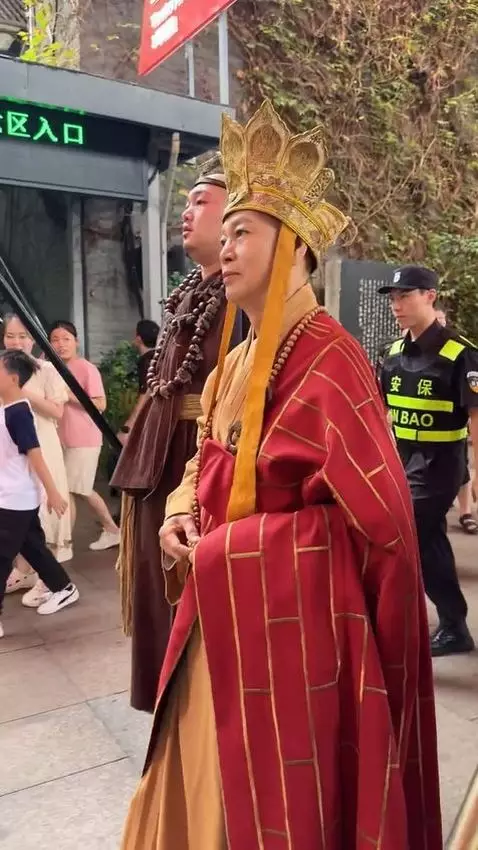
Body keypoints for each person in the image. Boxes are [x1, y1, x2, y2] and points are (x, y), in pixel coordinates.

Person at [121, 101, 442, 849]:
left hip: (296, 634)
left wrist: (229, 548)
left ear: (293, 247)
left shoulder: (332, 358)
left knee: (279, 803)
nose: (227, 248)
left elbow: (378, 522)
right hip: (219, 610)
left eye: (244, 233)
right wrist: (181, 507)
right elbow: (206, 451)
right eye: (226, 233)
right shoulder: (236, 361)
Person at [111, 154, 245, 713]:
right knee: (156, 583)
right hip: (163, 455)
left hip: (200, 456)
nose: (187, 212)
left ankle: (200, 707)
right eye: (186, 201)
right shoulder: (193, 290)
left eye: (200, 201)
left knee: (194, 590)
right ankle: (172, 704)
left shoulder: (241, 299)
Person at [379, 266, 477, 656]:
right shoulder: (391, 354)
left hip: (440, 466)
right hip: (403, 464)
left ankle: (431, 621)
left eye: (405, 296)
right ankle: (452, 625)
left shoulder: (460, 353)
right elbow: (382, 413)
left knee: (409, 530)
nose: (396, 305)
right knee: (428, 538)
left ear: (430, 296)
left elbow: (476, 419)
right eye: (393, 298)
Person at [0, 351, 79, 638]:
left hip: (16, 499)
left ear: (13, 379)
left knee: (2, 556)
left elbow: (35, 456)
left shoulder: (19, 413)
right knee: (32, 546)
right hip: (10, 495)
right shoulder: (6, 408)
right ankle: (63, 587)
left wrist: (53, 493)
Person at [49, 321, 120, 551]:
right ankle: (108, 530)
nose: (60, 344)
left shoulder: (86, 368)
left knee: (77, 489)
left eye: (66, 339)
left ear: (76, 342)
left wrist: (69, 394)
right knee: (78, 488)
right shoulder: (50, 367)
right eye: (55, 340)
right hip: (60, 438)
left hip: (84, 439)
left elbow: (100, 404)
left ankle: (66, 542)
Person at [434, 303, 478, 533]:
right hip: (413, 443)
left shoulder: (460, 353)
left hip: (452, 433)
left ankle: (466, 512)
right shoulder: (400, 352)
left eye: (441, 321)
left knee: (462, 474)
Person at [116, 319, 160, 447]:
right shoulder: (161, 357)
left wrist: (130, 425)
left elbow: (145, 392)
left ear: (139, 339)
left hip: (149, 417)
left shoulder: (146, 361)